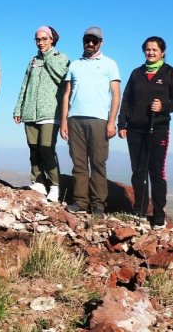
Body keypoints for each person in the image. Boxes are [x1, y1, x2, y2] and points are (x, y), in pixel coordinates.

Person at [119, 36, 173, 228]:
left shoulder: (170, 73)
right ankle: (139, 209)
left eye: (155, 49)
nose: (151, 52)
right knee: (138, 171)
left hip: (158, 128)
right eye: (147, 49)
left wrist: (163, 106)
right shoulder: (136, 73)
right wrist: (122, 124)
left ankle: (158, 214)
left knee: (156, 171)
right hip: (135, 129)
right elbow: (127, 99)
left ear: (163, 52)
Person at [60, 27, 121, 219]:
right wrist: (64, 121)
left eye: (94, 41)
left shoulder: (110, 64)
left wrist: (112, 122)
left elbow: (116, 95)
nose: (90, 44)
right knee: (78, 163)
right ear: (83, 41)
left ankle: (98, 205)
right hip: (75, 119)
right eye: (87, 40)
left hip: (99, 120)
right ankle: (80, 201)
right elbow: (66, 94)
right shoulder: (74, 65)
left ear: (101, 42)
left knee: (97, 163)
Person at [13, 26, 69, 202]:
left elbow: (62, 77)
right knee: (34, 148)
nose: (40, 42)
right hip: (30, 111)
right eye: (38, 39)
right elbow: (25, 85)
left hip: (50, 111)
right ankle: (38, 181)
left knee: (46, 149)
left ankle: (55, 185)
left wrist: (47, 58)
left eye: (44, 39)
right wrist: (18, 108)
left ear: (52, 39)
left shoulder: (61, 58)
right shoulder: (32, 61)